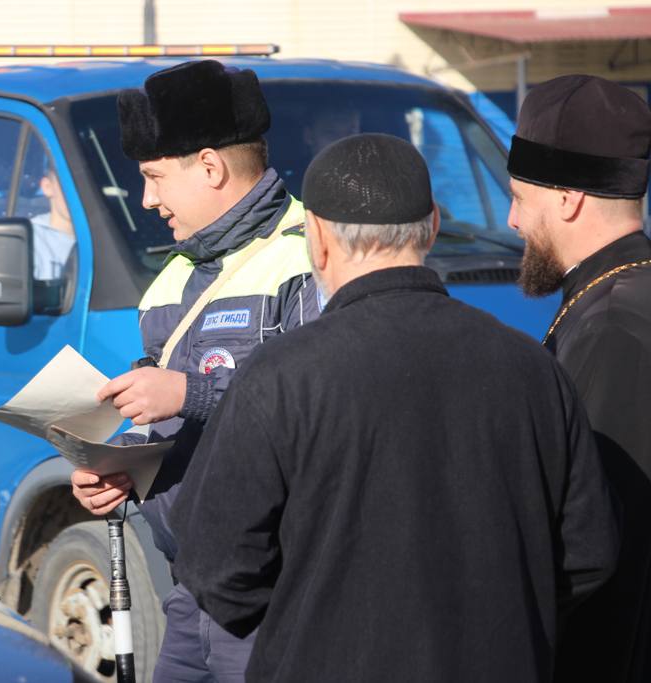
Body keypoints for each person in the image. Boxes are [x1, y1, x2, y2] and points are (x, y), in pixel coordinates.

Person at [170, 133, 619, 683]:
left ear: (316, 239)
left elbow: (215, 565)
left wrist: (315, 614)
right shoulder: (532, 367)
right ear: (432, 225)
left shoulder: (279, 377)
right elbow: (588, 552)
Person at [70, 59, 318, 681]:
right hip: (193, 591)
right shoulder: (171, 277)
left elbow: (324, 402)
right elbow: (160, 411)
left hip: (282, 597)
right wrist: (121, 464)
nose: (147, 199)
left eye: (154, 178)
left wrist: (190, 390)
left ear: (209, 168)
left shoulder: (312, 251)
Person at [505, 74, 651, 683]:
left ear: (567, 197)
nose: (512, 221)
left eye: (518, 197)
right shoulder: (617, 300)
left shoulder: (611, 330)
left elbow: (604, 546)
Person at [30, 168, 76, 282]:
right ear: (47, 187)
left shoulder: (113, 235)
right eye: (70, 184)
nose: (78, 193)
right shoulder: (29, 241)